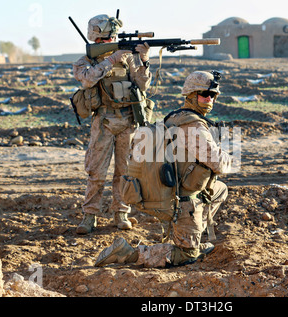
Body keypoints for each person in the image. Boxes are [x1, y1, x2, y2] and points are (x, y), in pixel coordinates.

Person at [94, 70, 232, 267]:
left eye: (212, 95)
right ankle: (129, 254)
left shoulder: (176, 117)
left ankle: (186, 232)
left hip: (169, 192)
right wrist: (230, 158)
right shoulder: (194, 126)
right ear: (191, 96)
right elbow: (218, 163)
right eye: (204, 95)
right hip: (183, 202)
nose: (209, 99)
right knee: (187, 255)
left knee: (219, 189)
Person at [72, 14, 152, 234]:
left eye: (110, 39)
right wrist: (110, 60)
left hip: (128, 120)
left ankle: (121, 213)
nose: (107, 43)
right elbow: (87, 79)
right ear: (95, 39)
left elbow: (143, 86)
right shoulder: (86, 61)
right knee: (96, 172)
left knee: (124, 172)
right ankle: (90, 216)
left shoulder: (129, 59)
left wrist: (144, 60)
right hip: (104, 121)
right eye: (103, 40)